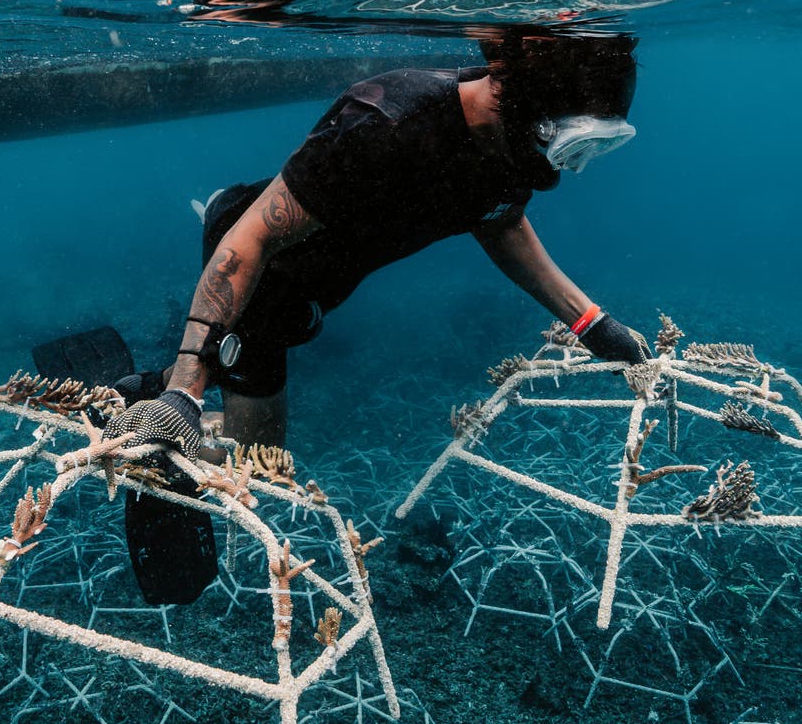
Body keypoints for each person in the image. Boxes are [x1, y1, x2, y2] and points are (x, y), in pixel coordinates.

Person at [104, 30, 652, 466]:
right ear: (536, 114)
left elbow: (501, 224)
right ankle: (149, 412)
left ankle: (150, 389)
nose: (573, 167)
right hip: (263, 267)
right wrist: (185, 392)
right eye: (575, 144)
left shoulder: (509, 145)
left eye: (598, 146)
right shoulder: (387, 123)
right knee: (257, 464)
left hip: (317, 285)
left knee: (262, 370)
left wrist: (594, 325)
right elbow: (252, 240)